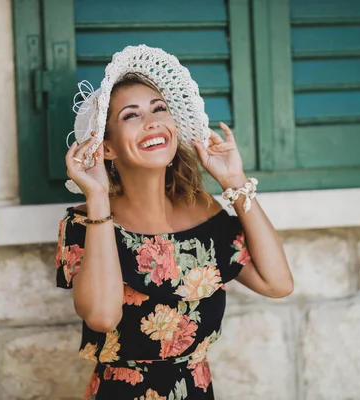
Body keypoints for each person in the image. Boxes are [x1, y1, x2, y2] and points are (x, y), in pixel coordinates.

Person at [55, 45, 293, 400]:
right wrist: (98, 197)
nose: (152, 121)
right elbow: (102, 318)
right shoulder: (85, 222)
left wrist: (235, 185)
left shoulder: (205, 211)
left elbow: (278, 284)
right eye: (131, 115)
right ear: (107, 148)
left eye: (159, 109)